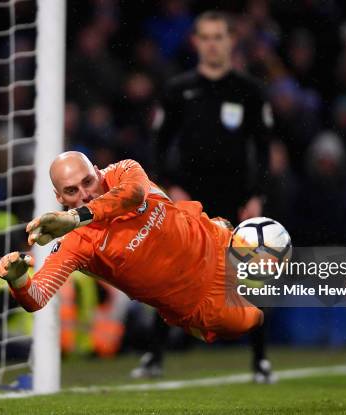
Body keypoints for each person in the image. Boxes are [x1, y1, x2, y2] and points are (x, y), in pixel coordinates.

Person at [0, 151, 263, 344]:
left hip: (217, 242)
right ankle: (197, 328)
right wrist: (17, 279)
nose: (84, 193)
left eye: (88, 181)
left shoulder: (123, 171)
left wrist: (75, 217)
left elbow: (134, 194)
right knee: (254, 319)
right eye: (72, 191)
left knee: (282, 255)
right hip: (200, 300)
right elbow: (37, 297)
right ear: (59, 197)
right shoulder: (75, 244)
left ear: (97, 172)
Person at [144, 10, 276, 383]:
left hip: (237, 196)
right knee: (170, 273)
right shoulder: (178, 90)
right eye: (206, 37)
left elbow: (265, 150)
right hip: (189, 198)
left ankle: (260, 359)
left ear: (231, 41)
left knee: (248, 274)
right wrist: (170, 187)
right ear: (196, 42)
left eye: (219, 36)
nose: (213, 43)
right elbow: (157, 144)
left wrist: (257, 195)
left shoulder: (249, 91)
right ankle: (154, 355)